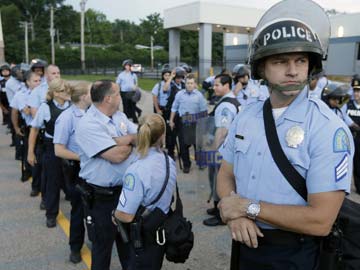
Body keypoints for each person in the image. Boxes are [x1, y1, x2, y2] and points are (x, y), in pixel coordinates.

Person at [217, 0, 354, 269]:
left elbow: (321, 220)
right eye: (281, 61)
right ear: (261, 69)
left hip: (295, 252)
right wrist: (235, 214)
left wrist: (247, 207)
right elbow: (225, 174)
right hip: (244, 243)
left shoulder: (327, 128)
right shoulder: (245, 117)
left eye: (300, 60)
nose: (292, 70)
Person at [75, 80, 137, 270]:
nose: (121, 96)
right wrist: (131, 142)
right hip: (102, 198)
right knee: (102, 250)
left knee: (129, 246)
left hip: (126, 193)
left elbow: (141, 136)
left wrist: (124, 139)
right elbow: (116, 156)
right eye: (118, 93)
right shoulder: (88, 124)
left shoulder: (119, 115)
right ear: (108, 98)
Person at [114, 113, 177, 270]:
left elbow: (126, 215)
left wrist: (114, 215)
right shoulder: (168, 160)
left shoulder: (136, 170)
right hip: (160, 230)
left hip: (142, 237)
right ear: (162, 135)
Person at [53, 81, 92, 263]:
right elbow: (58, 150)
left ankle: (95, 238)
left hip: (94, 169)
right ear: (84, 96)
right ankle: (75, 247)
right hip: (77, 170)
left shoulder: (92, 113)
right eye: (91, 92)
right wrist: (82, 157)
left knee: (95, 209)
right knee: (78, 210)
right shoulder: (66, 117)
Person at [27, 78, 71, 228]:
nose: (66, 92)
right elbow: (34, 129)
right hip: (52, 147)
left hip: (70, 147)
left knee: (72, 179)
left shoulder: (72, 106)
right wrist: (30, 152)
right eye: (62, 90)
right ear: (54, 93)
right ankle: (51, 214)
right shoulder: (45, 108)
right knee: (52, 181)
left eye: (67, 89)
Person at [202, 73, 239, 227]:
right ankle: (217, 207)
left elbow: (222, 131)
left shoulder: (225, 106)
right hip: (228, 149)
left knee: (220, 180)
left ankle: (220, 215)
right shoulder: (229, 100)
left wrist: (215, 152)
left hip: (222, 150)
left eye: (217, 85)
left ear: (226, 86)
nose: (214, 87)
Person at [169, 74, 208, 173]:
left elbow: (203, 112)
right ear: (185, 84)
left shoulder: (199, 96)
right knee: (183, 146)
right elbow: (174, 108)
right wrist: (171, 120)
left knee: (198, 145)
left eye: (191, 83)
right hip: (183, 123)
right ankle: (187, 165)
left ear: (195, 84)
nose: (189, 85)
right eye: (187, 83)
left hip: (196, 123)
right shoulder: (179, 94)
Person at [10, 71, 41, 184]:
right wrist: (16, 128)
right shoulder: (22, 95)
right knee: (31, 155)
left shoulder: (44, 92)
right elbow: (22, 111)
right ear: (28, 82)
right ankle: (35, 184)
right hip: (31, 129)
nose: (38, 83)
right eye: (35, 81)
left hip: (44, 130)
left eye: (39, 81)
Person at [164, 67, 186, 159]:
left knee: (182, 136)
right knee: (171, 136)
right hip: (171, 113)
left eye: (180, 77)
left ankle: (182, 153)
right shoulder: (171, 85)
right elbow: (165, 89)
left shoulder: (184, 85)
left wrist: (187, 77)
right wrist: (171, 77)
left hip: (182, 114)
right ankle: (171, 153)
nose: (179, 79)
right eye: (177, 77)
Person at [346, 77, 360, 193]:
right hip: (348, 138)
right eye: (355, 91)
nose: (356, 93)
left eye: (359, 91)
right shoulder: (347, 104)